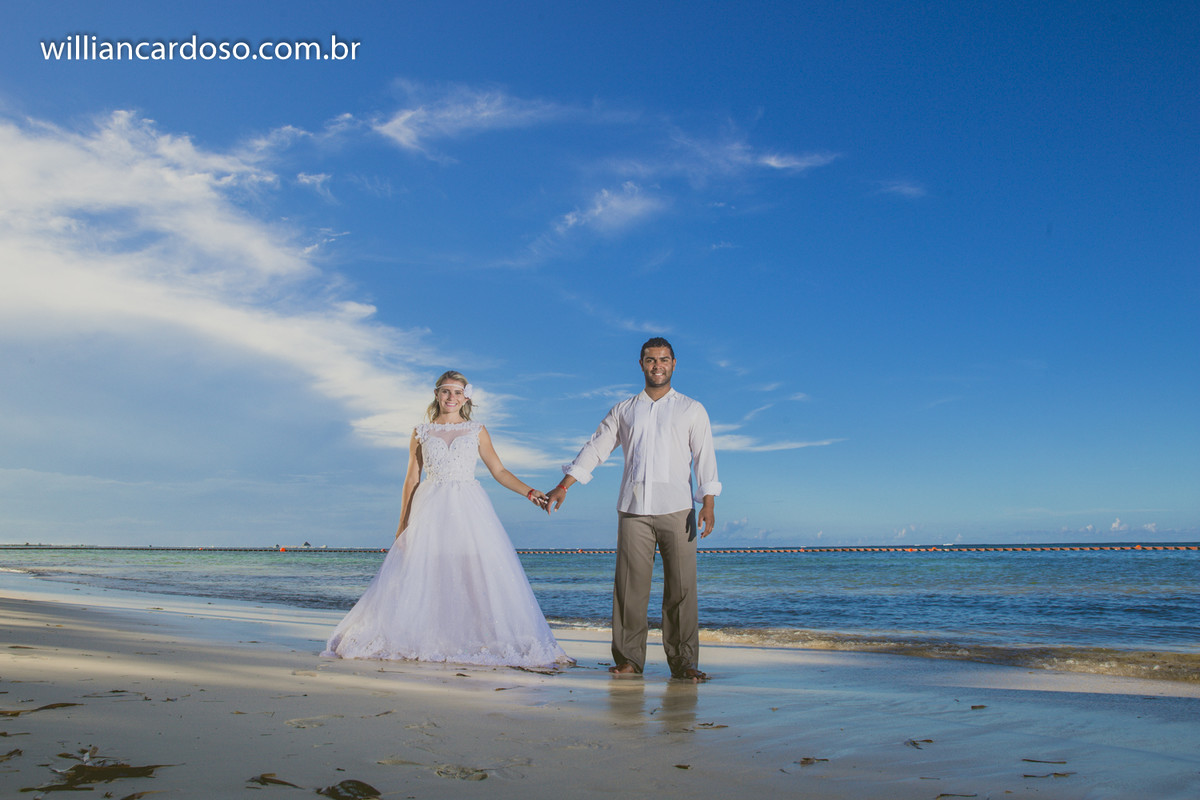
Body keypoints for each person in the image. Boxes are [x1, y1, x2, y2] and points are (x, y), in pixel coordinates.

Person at [323, 371, 571, 668]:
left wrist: (529, 492)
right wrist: (402, 525)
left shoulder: (476, 430)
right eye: (445, 391)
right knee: (427, 572)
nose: (451, 398)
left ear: (467, 397)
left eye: (457, 392)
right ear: (437, 395)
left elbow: (499, 472)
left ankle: (470, 637)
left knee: (471, 572)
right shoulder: (421, 431)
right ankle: (429, 637)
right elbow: (412, 479)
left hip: (469, 508)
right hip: (429, 507)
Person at [546, 337, 721, 681]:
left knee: (681, 590)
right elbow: (596, 448)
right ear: (640, 364)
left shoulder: (692, 409)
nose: (658, 365)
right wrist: (565, 484)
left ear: (674, 364)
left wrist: (709, 503)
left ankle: (684, 663)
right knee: (629, 589)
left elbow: (705, 458)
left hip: (679, 508)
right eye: (651, 359)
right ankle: (628, 660)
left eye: (664, 359)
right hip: (633, 510)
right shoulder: (623, 410)